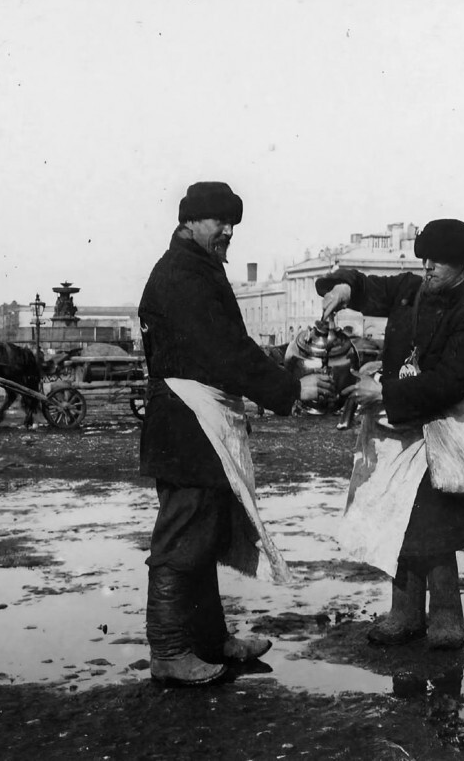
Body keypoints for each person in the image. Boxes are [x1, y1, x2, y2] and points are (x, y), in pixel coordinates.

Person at [138, 181, 332, 686]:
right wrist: (290, 388)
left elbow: (230, 347)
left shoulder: (196, 267)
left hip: (196, 418)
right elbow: (224, 352)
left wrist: (277, 364)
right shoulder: (183, 275)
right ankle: (170, 651)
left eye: (233, 224)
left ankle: (208, 641)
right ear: (188, 222)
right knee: (182, 538)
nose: (227, 231)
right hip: (186, 421)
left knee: (203, 536)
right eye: (218, 221)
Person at [317, 218, 464, 649]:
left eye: (438, 261)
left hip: (444, 429)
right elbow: (365, 285)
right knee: (399, 519)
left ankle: (447, 618)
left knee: (438, 526)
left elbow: (450, 382)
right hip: (399, 428)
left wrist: (383, 392)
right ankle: (404, 614)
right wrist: (342, 288)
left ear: (462, 264)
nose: (428, 267)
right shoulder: (408, 290)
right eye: (425, 258)